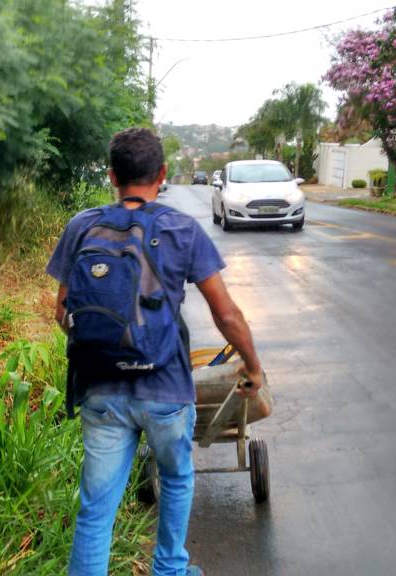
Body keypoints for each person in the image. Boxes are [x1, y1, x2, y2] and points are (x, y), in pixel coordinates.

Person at [47, 127, 263, 576]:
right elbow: (226, 316)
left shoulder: (81, 226)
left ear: (112, 176)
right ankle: (169, 569)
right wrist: (253, 366)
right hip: (165, 389)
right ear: (162, 174)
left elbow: (63, 309)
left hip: (101, 391)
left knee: (95, 509)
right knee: (178, 477)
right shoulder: (182, 229)